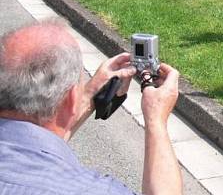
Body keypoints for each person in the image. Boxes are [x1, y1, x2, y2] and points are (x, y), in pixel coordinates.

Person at [0, 19, 183, 195]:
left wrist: (88, 96)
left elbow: (38, 144)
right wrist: (155, 120)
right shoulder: (91, 190)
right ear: (72, 98)